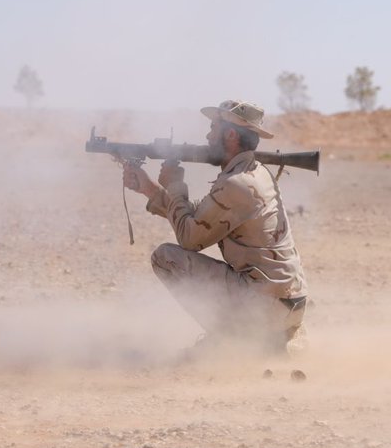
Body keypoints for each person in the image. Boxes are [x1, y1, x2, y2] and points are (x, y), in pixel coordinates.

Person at [122, 99, 309, 355]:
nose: (208, 136)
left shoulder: (237, 183)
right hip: (288, 304)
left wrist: (176, 186)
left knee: (166, 258)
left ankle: (230, 343)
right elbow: (201, 217)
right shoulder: (254, 173)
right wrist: (150, 189)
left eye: (213, 128)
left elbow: (190, 237)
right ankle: (272, 339)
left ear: (230, 134)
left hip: (265, 305)